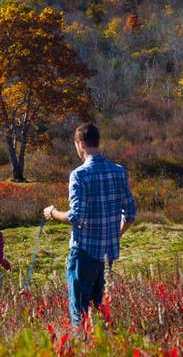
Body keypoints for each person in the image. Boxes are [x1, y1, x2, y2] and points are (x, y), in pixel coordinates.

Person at [43, 122, 136, 328]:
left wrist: (53, 213)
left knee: (80, 314)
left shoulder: (79, 175)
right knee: (99, 312)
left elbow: (76, 217)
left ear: (81, 143)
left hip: (84, 254)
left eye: (76, 144)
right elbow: (130, 214)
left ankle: (82, 348)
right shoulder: (119, 171)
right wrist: (115, 235)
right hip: (107, 255)